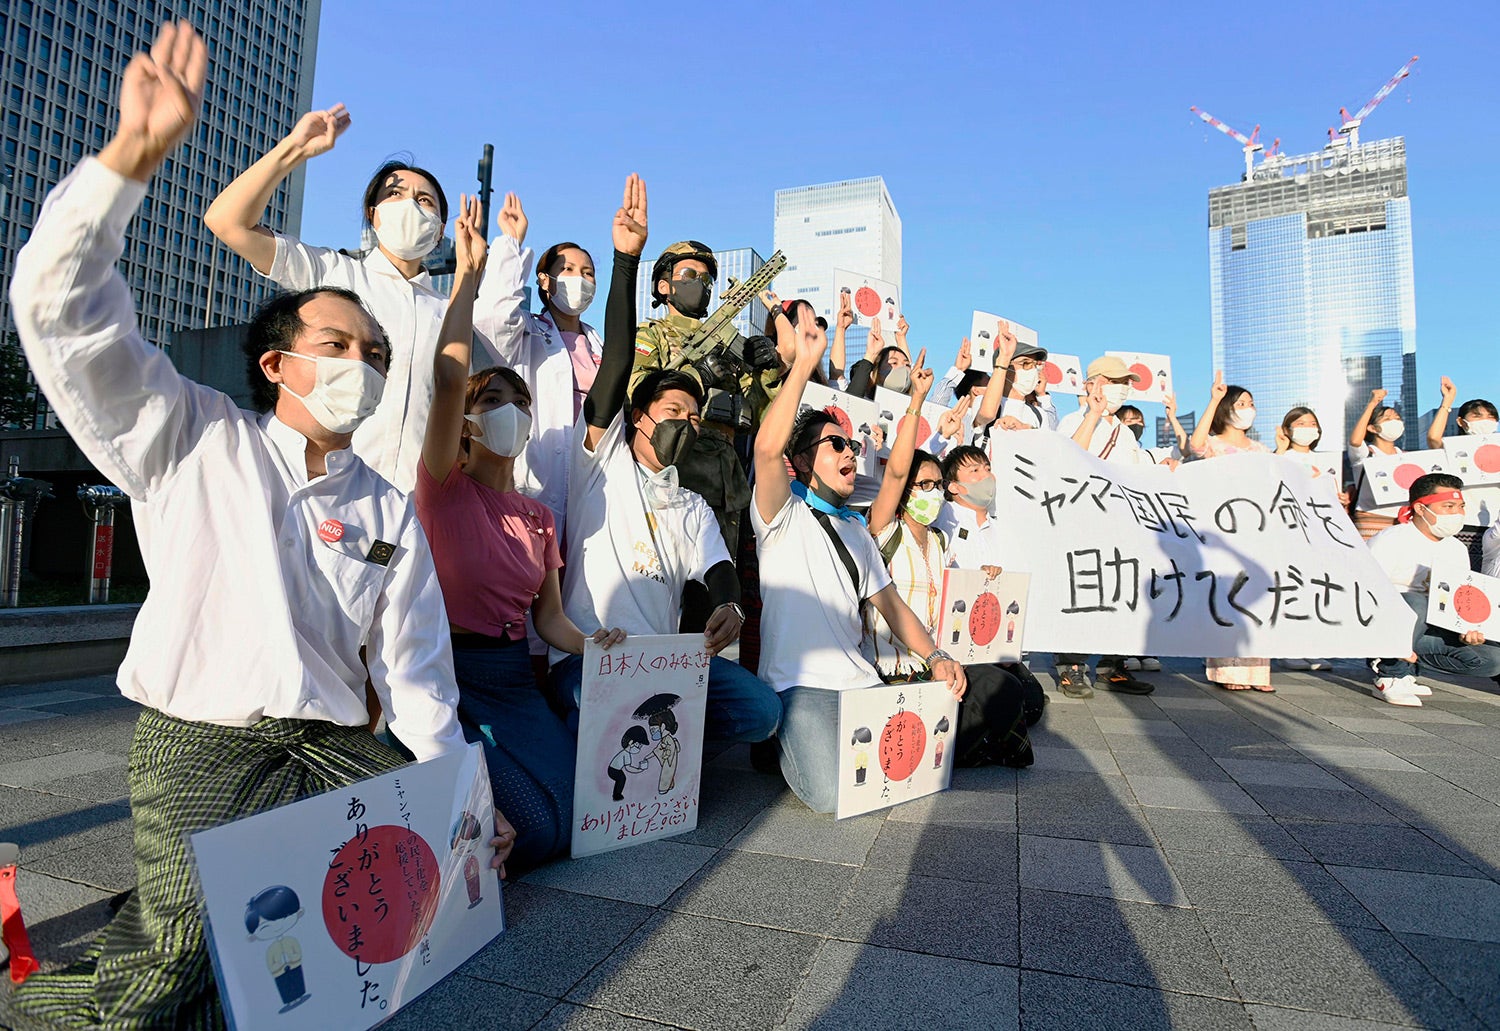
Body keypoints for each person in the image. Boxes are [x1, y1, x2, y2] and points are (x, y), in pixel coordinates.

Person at [5, 25, 513, 1026]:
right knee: (168, 979)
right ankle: (40, 996)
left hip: (332, 745)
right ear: (277, 362)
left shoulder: (384, 509)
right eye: (335, 342)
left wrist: (463, 795)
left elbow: (415, 677)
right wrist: (128, 161)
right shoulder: (190, 435)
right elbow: (61, 310)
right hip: (206, 740)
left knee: (429, 883)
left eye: (374, 349)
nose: (360, 363)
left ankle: (175, 909)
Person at [415, 191, 629, 874]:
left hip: (513, 676)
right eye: (492, 402)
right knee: (535, 830)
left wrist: (596, 643)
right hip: (451, 673)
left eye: (519, 401)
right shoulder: (444, 489)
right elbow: (449, 379)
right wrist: (469, 278)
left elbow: (552, 619)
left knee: (586, 809)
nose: (508, 411)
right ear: (469, 423)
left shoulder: (538, 517)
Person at [549, 210, 781, 748]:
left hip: (661, 653)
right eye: (673, 409)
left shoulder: (688, 504)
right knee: (596, 708)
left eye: (693, 415)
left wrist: (730, 605)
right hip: (595, 658)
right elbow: (617, 370)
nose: (685, 420)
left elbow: (718, 565)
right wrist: (626, 260)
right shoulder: (601, 466)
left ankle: (671, 752)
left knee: (758, 710)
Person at [204, 105, 491, 494]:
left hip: (421, 506)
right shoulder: (333, 273)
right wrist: (295, 149)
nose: (410, 204)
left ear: (440, 228)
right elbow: (227, 223)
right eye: (395, 193)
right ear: (373, 216)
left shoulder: (450, 314)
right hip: (322, 488)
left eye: (425, 200)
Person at [750, 303, 967, 813]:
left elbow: (892, 607)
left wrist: (936, 657)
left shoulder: (857, 528)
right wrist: (804, 364)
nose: (850, 453)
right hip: (801, 689)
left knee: (929, 761)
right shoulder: (781, 514)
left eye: (851, 445)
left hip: (866, 684)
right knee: (832, 795)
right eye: (834, 445)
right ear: (801, 463)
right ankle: (780, 739)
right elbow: (765, 450)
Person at [864, 355, 1035, 765]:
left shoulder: (941, 543)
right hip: (893, 672)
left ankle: (961, 745)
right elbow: (894, 474)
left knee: (1011, 689)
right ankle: (956, 747)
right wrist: (917, 403)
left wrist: (986, 580)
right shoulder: (885, 532)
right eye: (924, 485)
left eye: (938, 485)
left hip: (940, 663)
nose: (933, 492)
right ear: (907, 492)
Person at [629, 240, 783, 564]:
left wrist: (766, 371)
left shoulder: (726, 344)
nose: (699, 284)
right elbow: (636, 391)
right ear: (664, 285)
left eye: (707, 279)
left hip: (727, 489)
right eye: (688, 274)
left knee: (719, 593)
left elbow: (761, 418)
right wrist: (697, 376)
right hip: (676, 478)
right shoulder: (651, 334)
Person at [468, 191, 603, 525]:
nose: (580, 279)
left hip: (593, 478)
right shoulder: (526, 332)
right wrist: (510, 243)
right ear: (544, 280)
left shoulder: (598, 343)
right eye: (568, 269)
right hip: (539, 482)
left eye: (588, 273)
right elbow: (492, 316)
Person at [1050, 356, 1164, 697]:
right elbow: (1068, 460)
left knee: (1122, 592)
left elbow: (1137, 472)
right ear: (1092, 384)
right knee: (1083, 592)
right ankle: (1071, 666)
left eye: (1126, 382)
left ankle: (1112, 665)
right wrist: (1094, 414)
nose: (1123, 388)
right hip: (1083, 522)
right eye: (1115, 380)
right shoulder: (1073, 420)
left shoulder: (1126, 433)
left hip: (1120, 524)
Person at [1368, 473, 1500, 705]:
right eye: (1448, 506)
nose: (1457, 513)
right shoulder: (1391, 539)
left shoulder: (1457, 548)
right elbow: (1366, 591)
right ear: (1420, 509)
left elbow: (1459, 599)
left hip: (1430, 627)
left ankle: (1410, 667)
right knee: (1416, 602)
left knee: (1493, 659)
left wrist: (1468, 630)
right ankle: (1389, 674)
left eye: (1460, 506)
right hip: (1385, 625)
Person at [1189, 371, 1274, 693]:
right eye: (1241, 403)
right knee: (1228, 597)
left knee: (1260, 600)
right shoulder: (1215, 444)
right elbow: (1195, 445)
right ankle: (1227, 671)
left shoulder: (1262, 450)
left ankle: (1258, 674)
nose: (1248, 408)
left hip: (1257, 531)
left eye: (1251, 403)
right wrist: (1213, 399)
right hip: (1223, 530)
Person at [971, 319, 1058, 435]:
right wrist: (1004, 358)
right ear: (1007, 369)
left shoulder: (1039, 415)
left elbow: (1048, 446)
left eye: (1035, 365)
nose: (1033, 370)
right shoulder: (983, 401)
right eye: (1026, 364)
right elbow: (987, 414)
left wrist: (1026, 429)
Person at [1348, 387, 1407, 540]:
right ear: (1372, 428)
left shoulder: (1406, 457)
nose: (1394, 422)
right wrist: (1372, 403)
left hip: (1403, 521)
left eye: (1397, 418)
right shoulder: (1365, 454)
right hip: (1370, 520)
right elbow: (1355, 441)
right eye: (1387, 419)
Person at [1424, 377, 1498, 448]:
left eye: (1490, 417)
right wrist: (1448, 399)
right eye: (1477, 416)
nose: (1485, 420)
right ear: (1460, 422)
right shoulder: (1457, 446)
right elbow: (1433, 439)